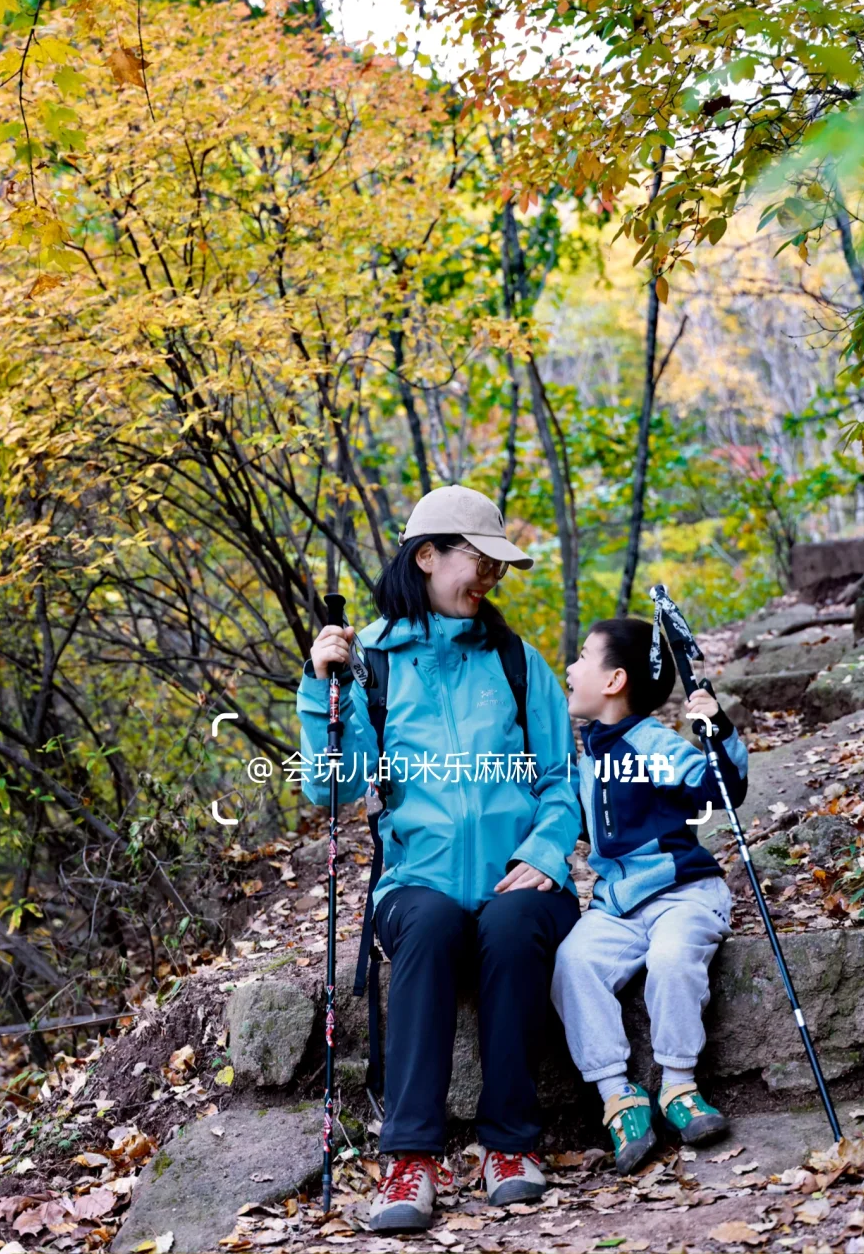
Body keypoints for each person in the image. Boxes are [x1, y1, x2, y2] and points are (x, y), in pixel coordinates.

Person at [297, 485, 581, 1232]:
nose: (490, 578)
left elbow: (560, 778)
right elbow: (334, 790)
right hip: (415, 880)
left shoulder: (517, 662)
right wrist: (318, 691)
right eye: (478, 561)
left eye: (498, 567)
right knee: (425, 925)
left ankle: (509, 1147)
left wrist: (548, 850)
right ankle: (410, 1158)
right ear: (426, 556)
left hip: (522, 875)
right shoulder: (370, 667)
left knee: (513, 924)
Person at [551, 617, 749, 1174]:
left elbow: (721, 789)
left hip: (680, 893)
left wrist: (717, 729)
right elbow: (571, 822)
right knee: (573, 962)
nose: (570, 667)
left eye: (583, 656)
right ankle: (619, 1095)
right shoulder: (588, 757)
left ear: (613, 680)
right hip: (616, 903)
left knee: (670, 958)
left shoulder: (651, 743)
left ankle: (679, 1088)